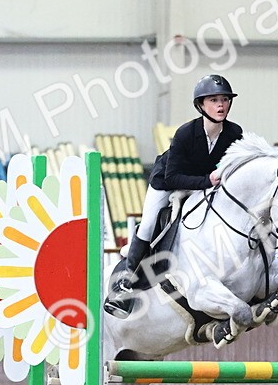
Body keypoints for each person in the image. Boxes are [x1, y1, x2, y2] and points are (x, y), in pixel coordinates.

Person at [104, 74, 244, 317]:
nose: (221, 105)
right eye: (213, 100)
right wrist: (207, 181)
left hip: (204, 185)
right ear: (201, 105)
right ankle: (125, 282)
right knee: (148, 224)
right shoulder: (185, 133)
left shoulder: (234, 132)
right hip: (167, 183)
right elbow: (172, 178)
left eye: (224, 100)